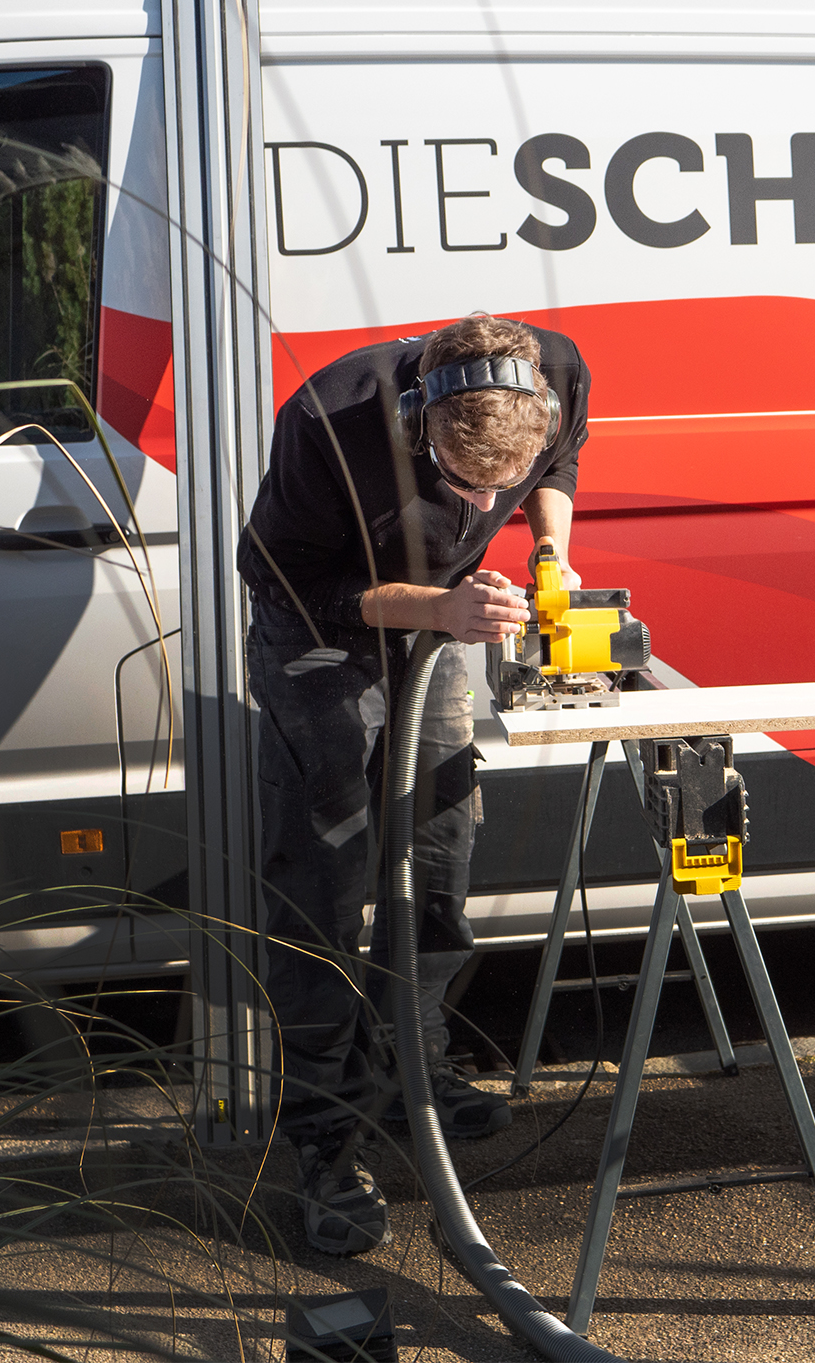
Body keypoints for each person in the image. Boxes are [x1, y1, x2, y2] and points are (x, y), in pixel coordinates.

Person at [237, 313, 589, 1255]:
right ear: (417, 420)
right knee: (325, 883)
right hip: (320, 646)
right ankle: (321, 1141)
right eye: (462, 483)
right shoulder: (328, 420)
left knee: (437, 856)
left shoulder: (551, 371)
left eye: (498, 487)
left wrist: (548, 554)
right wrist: (440, 604)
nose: (482, 505)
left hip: (439, 635)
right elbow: (279, 583)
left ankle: (408, 1071)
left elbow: (556, 473)